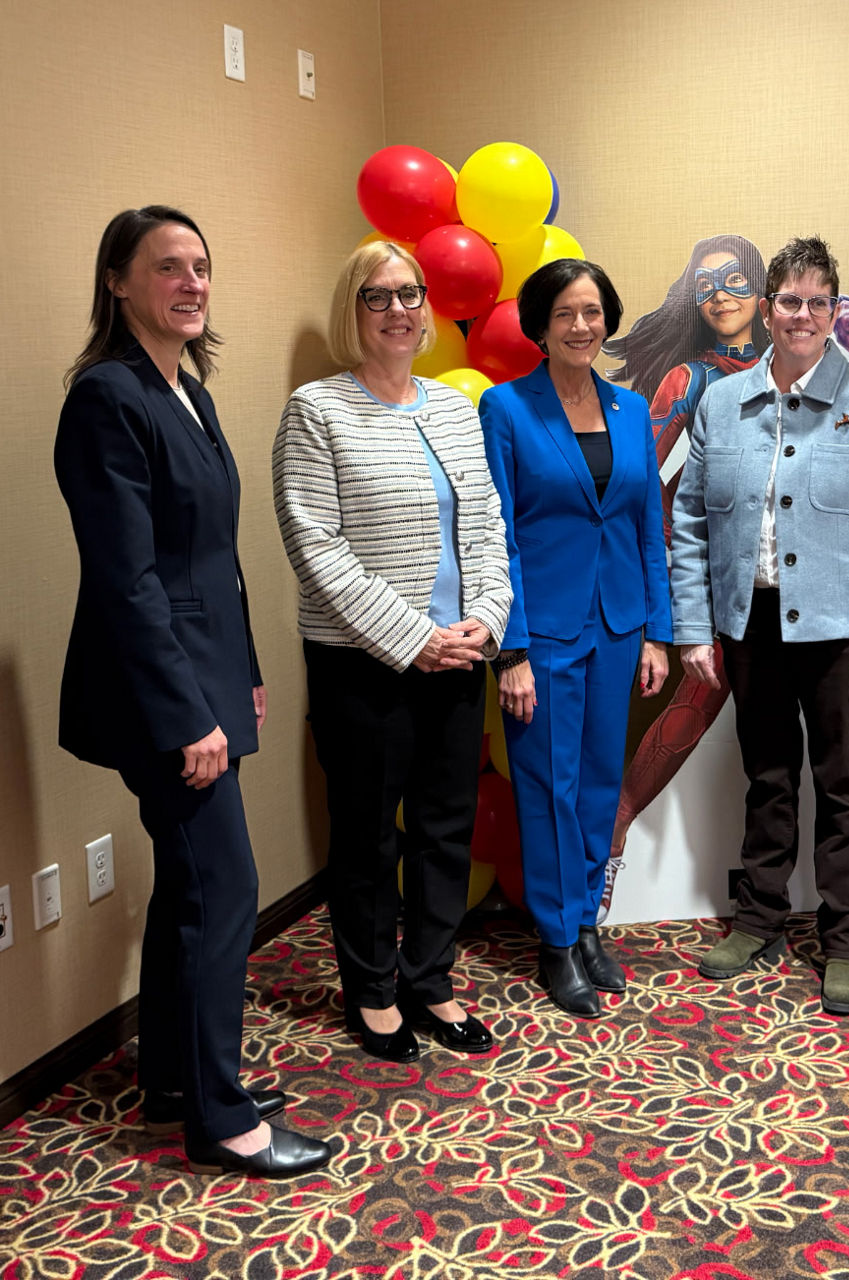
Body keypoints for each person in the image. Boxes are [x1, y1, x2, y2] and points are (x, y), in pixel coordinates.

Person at [55, 206, 331, 1177]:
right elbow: (127, 580)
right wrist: (187, 713)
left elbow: (212, 562)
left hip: (208, 675)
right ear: (118, 281)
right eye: (167, 266)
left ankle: (175, 1073)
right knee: (226, 891)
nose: (191, 282)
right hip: (155, 694)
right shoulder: (107, 397)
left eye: (202, 266)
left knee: (187, 884)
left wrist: (244, 675)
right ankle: (221, 1116)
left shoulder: (189, 390)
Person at [671, 237, 849, 1016]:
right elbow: (687, 522)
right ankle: (760, 919)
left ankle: (844, 940)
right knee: (767, 776)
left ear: (835, 311)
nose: (802, 315)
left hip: (842, 629)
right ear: (768, 308)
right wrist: (690, 628)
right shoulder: (720, 402)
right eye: (789, 300)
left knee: (845, 788)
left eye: (819, 301)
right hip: (752, 622)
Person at [273, 241, 511, 1061]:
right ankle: (372, 990)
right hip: (363, 665)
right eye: (379, 296)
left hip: (459, 655)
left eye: (411, 294)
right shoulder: (317, 410)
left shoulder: (450, 407)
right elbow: (316, 547)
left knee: (445, 828)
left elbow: (485, 525)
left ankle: (431, 979)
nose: (400, 309)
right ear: (354, 309)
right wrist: (414, 639)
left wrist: (485, 619)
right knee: (371, 834)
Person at [479, 259, 672, 1018]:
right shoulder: (506, 408)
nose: (582, 326)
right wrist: (513, 649)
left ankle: (587, 923)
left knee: (597, 782)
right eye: (565, 313)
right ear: (539, 324)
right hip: (545, 633)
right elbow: (496, 540)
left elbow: (644, 530)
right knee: (546, 786)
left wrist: (656, 632)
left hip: (619, 625)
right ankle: (556, 940)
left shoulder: (631, 411)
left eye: (593, 311)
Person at [600, 237, 765, 919]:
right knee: (698, 702)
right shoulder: (688, 380)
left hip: (795, 582)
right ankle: (613, 838)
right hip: (714, 581)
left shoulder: (805, 365)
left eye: (733, 279)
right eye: (706, 285)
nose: (720, 293)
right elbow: (643, 481)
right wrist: (672, 561)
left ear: (760, 288)